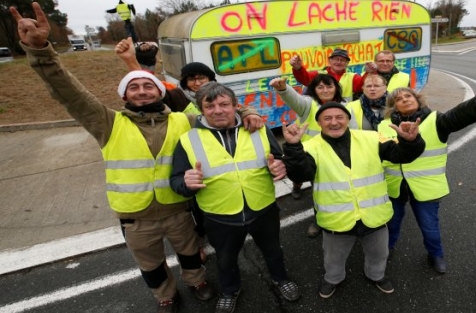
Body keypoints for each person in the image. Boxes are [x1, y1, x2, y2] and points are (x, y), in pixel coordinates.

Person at [9, 4, 216, 312]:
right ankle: (165, 297)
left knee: (190, 252)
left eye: (149, 85)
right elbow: (69, 92)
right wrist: (40, 51)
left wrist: (250, 113)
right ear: (123, 96)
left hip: (178, 210)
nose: (143, 91)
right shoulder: (107, 123)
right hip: (136, 218)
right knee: (152, 266)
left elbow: (220, 117)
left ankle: (196, 281)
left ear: (160, 92)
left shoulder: (181, 120)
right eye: (134, 87)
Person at [114, 37, 262, 263]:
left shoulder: (222, 95)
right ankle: (197, 243)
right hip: (186, 158)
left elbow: (239, 109)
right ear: (185, 83)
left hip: (213, 158)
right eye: (191, 79)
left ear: (211, 78)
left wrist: (251, 112)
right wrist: (132, 63)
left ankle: (207, 239)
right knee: (192, 207)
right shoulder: (178, 99)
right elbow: (150, 88)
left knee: (210, 202)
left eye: (201, 77)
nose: (196, 82)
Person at [169, 82, 301, 313]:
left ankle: (281, 279)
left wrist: (281, 167)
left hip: (263, 208)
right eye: (210, 106)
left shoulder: (259, 129)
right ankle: (230, 290)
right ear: (201, 110)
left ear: (236, 106)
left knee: (273, 250)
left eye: (224, 104)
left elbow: (279, 159)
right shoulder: (188, 140)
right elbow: (176, 181)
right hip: (219, 215)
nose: (218, 110)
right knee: (225, 258)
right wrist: (186, 184)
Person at [282, 101, 426, 298]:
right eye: (327, 118)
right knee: (333, 258)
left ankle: (376, 276)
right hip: (336, 220)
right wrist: (293, 147)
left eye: (340, 117)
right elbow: (300, 174)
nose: (334, 122)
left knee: (379, 254)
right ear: (319, 123)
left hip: (375, 216)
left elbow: (400, 155)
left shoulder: (372, 137)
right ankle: (333, 279)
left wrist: (411, 141)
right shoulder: (308, 147)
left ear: (348, 120)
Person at [378, 81, 476, 273]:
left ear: (418, 99)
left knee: (429, 226)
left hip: (426, 186)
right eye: (398, 99)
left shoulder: (435, 120)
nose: (404, 100)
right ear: (393, 106)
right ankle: (385, 251)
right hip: (393, 185)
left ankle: (435, 254)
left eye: (408, 96)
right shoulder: (383, 125)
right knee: (392, 223)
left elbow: (460, 115)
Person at [269, 74, 344, 238]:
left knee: (331, 189)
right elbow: (295, 100)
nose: (325, 90)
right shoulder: (309, 104)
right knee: (316, 187)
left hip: (336, 156)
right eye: (320, 87)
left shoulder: (345, 105)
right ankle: (317, 218)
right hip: (311, 155)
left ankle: (330, 216)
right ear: (314, 90)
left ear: (336, 88)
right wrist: (283, 89)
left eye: (329, 86)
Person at [290, 48, 364, 102]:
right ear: (330, 61)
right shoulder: (318, 75)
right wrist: (298, 68)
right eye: (336, 59)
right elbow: (304, 78)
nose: (338, 62)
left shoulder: (352, 77)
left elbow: (365, 83)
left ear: (347, 64)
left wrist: (371, 72)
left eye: (342, 60)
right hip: (322, 113)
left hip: (343, 114)